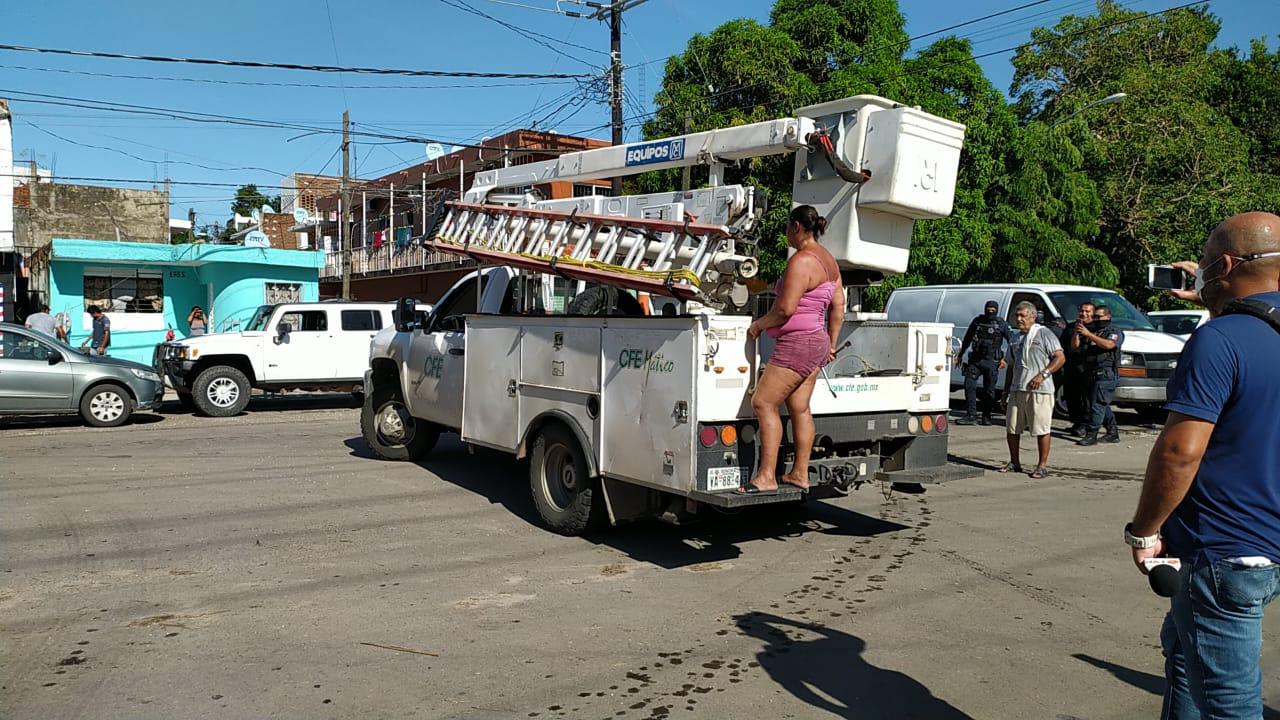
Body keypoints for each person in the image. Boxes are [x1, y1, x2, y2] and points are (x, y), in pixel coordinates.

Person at [1127, 211, 1280, 720]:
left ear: (1226, 265)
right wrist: (1217, 300)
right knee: (1184, 655)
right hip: (1269, 545)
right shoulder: (1245, 330)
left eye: (1207, 264)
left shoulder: (1219, 339)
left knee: (1228, 704)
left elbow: (1180, 453)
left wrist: (1143, 530)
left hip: (1222, 552)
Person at [741, 205, 844, 495]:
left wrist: (758, 325)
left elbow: (785, 309)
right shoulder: (829, 261)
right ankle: (799, 473)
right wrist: (831, 343)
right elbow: (838, 307)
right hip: (817, 341)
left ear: (796, 227)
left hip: (798, 343)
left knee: (763, 402)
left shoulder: (801, 261)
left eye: (787, 227)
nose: (786, 232)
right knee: (799, 407)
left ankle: (766, 476)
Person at [999, 301, 1065, 479]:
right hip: (1017, 388)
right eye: (1017, 315)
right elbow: (1011, 365)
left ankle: (1042, 466)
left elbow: (1060, 358)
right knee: (1012, 428)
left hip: (1040, 390)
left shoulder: (1044, 333)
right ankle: (1014, 462)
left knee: (1041, 428)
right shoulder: (1015, 337)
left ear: (1033, 317)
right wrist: (1005, 391)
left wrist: (1043, 375)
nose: (1019, 319)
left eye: (1023, 315)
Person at [954, 300, 1012, 426]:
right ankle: (971, 415)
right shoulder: (977, 321)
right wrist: (960, 355)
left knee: (989, 390)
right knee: (969, 385)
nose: (990, 311)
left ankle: (986, 416)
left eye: (993, 309)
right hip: (975, 360)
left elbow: (1012, 342)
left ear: (996, 310)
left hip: (992, 361)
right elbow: (968, 338)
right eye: (988, 308)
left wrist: (1005, 360)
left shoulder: (1001, 323)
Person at [1076, 304, 1123, 446]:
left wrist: (1089, 335)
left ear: (1108, 316)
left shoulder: (1114, 331)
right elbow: (1075, 346)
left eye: (1099, 316)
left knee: (1097, 405)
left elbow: (1109, 345)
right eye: (1095, 316)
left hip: (1105, 373)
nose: (1096, 319)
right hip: (1091, 372)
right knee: (1100, 403)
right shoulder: (1092, 330)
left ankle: (1092, 434)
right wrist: (1078, 332)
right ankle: (1112, 431)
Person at [1060, 302, 1095, 436]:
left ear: (1093, 313)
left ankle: (1085, 425)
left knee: (1086, 399)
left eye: (1087, 311)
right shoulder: (1071, 327)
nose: (1084, 314)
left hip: (1086, 369)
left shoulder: (1095, 328)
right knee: (1071, 397)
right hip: (1070, 368)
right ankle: (1076, 422)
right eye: (1082, 311)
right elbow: (1062, 345)